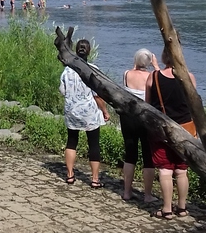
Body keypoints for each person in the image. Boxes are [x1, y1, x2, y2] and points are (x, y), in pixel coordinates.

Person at [145, 46, 196, 219]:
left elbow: (147, 104)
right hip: (185, 129)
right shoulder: (189, 77)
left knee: (165, 169)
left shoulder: (153, 77)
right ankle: (182, 207)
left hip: (161, 128)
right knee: (181, 170)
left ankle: (167, 209)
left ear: (163, 57)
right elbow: (193, 104)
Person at [58, 39, 109, 187]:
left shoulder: (67, 70)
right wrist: (105, 111)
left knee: (71, 141)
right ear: (89, 51)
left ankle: (70, 175)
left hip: (71, 110)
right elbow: (97, 95)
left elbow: (62, 91)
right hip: (89, 112)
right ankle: (94, 179)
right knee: (93, 144)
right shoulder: (93, 69)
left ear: (76, 50)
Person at [121, 49, 157, 203]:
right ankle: (147, 195)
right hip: (145, 117)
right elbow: (161, 80)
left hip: (128, 117)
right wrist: (156, 66)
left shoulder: (126, 74)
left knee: (130, 154)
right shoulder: (151, 76)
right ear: (149, 62)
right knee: (148, 156)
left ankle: (127, 191)